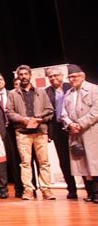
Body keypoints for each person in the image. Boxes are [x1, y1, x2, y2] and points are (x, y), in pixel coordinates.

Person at [6, 64, 55, 200]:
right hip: (22, 132)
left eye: (25, 74)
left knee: (44, 161)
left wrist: (39, 118)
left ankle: (46, 189)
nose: (23, 77)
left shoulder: (41, 91)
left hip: (40, 131)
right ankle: (28, 190)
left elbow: (50, 110)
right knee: (25, 163)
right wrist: (23, 119)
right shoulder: (13, 93)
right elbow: (9, 112)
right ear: (18, 77)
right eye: (21, 75)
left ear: (30, 75)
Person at [61, 64, 98, 202]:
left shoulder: (94, 89)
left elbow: (96, 111)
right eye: (69, 77)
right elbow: (63, 113)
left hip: (91, 131)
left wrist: (80, 123)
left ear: (83, 76)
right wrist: (71, 124)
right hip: (75, 133)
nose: (71, 79)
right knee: (82, 163)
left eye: (74, 76)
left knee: (94, 162)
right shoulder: (69, 93)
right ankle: (90, 192)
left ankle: (97, 192)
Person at [45, 66, 77, 199]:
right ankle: (72, 189)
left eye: (55, 75)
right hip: (57, 129)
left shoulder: (71, 87)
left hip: (74, 128)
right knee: (64, 161)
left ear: (62, 75)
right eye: (50, 76)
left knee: (79, 158)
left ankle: (91, 189)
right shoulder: (46, 92)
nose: (53, 78)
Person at [0, 72, 17, 198]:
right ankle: (3, 188)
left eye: (1, 79)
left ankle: (20, 187)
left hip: (14, 129)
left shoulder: (12, 93)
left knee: (16, 159)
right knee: (1, 161)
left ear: (4, 81)